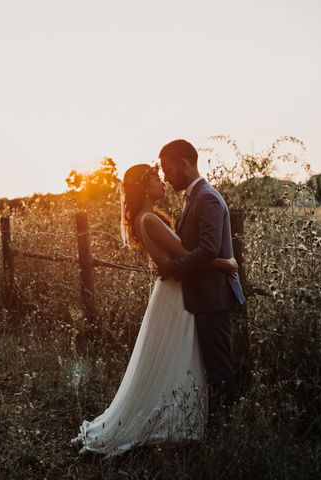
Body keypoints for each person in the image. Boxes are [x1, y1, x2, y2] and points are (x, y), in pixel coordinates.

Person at [71, 163, 239, 457]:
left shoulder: (145, 218)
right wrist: (225, 263)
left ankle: (179, 418)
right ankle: (174, 422)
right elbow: (186, 256)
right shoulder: (148, 219)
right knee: (177, 354)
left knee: (175, 354)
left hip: (174, 290)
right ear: (142, 187)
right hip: (175, 293)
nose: (162, 183)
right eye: (155, 179)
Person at [156, 139, 246, 415]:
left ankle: (225, 426)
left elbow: (207, 249)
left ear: (184, 164)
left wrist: (174, 268)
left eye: (167, 170)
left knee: (219, 366)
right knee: (210, 364)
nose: (165, 177)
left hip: (214, 297)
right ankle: (215, 421)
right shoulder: (194, 196)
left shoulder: (206, 197)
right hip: (204, 296)